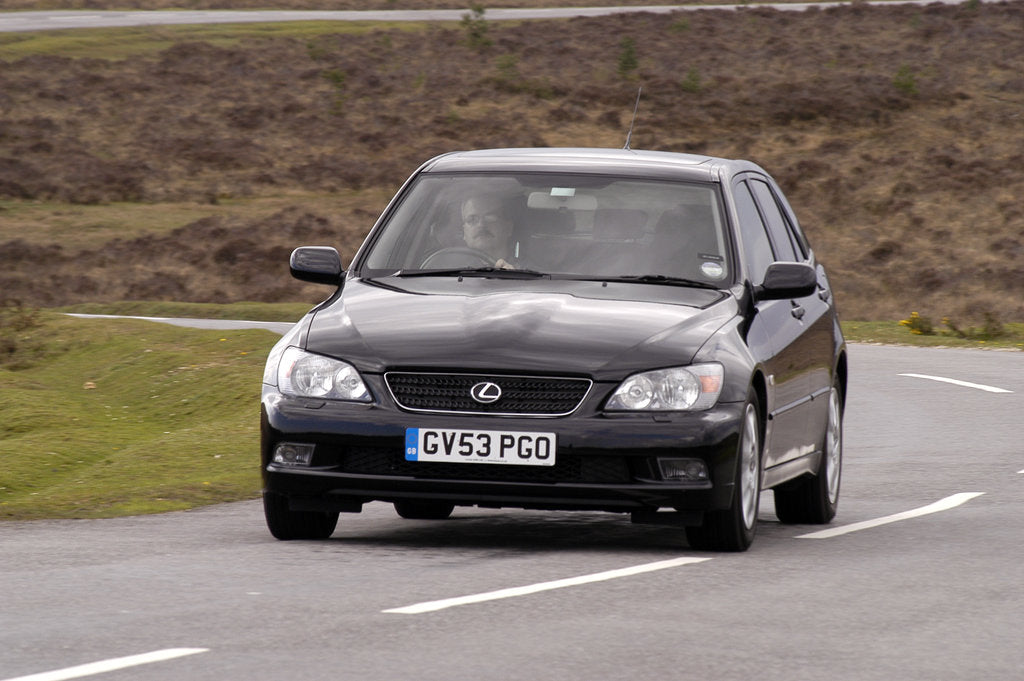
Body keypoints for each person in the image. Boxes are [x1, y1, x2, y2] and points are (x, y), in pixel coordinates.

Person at [461, 195, 518, 268]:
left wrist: (516, 275)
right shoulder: (449, 270)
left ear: (508, 228)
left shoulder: (530, 274)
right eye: (472, 219)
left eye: (490, 217)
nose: (481, 225)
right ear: (464, 232)